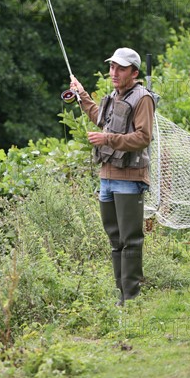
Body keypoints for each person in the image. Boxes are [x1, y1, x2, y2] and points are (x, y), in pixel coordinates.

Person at [70, 47, 154, 305]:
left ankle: (131, 297)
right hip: (106, 177)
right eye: (112, 67)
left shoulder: (143, 99)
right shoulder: (112, 96)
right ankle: (122, 296)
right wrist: (81, 95)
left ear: (134, 72)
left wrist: (107, 139)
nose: (114, 72)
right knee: (115, 239)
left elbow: (143, 137)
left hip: (129, 178)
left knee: (130, 240)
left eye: (120, 68)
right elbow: (100, 118)